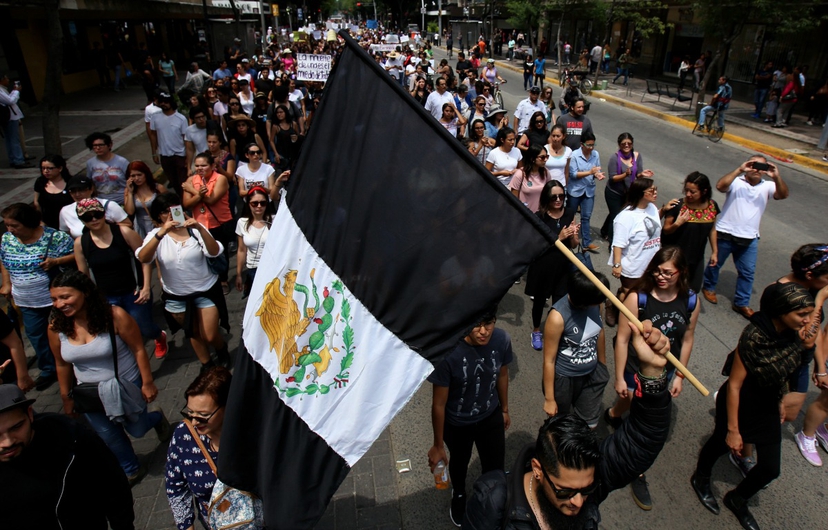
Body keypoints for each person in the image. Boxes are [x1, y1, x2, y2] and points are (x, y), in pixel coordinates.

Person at [463, 320, 672, 530]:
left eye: (587, 489)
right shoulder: (492, 502)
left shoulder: (590, 476)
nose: (578, 502)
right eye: (564, 491)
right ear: (538, 470)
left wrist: (653, 373)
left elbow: (641, 439)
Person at [692, 282, 814, 530]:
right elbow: (734, 385)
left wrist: (781, 398)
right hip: (740, 402)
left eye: (809, 314)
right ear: (781, 311)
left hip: (768, 405)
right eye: (802, 314)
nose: (807, 320)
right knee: (720, 443)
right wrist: (733, 430)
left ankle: (737, 499)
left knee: (770, 468)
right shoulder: (754, 336)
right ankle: (701, 476)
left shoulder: (792, 336)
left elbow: (786, 371)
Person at [48, 270, 172, 484]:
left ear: (85, 292)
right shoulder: (56, 327)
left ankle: (156, 418)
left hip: (125, 384)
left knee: (137, 429)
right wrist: (66, 397)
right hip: (89, 393)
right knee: (109, 435)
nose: (59, 304)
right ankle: (131, 468)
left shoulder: (114, 316)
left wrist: (147, 382)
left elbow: (138, 349)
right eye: (54, 299)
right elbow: (61, 363)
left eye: (65, 297)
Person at [606, 247, 700, 510]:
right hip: (635, 367)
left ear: (681, 272)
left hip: (665, 370)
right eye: (657, 271)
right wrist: (619, 377)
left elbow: (688, 338)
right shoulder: (638, 299)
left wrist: (680, 375)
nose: (661, 276)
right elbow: (622, 339)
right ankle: (613, 415)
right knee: (629, 400)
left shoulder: (691, 300)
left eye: (668, 273)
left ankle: (635, 463)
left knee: (643, 412)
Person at [0, 384, 136, 529]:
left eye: (16, 427)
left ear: (30, 414)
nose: (8, 442)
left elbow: (112, 484)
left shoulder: (71, 439)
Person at [427, 308, 512, 527]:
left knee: (495, 468)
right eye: (477, 325)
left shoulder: (502, 340)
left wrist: (504, 409)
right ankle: (459, 493)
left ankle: (492, 502)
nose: (484, 331)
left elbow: (502, 374)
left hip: (490, 416)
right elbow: (439, 404)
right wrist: (438, 445)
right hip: (457, 424)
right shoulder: (448, 352)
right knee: (460, 462)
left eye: (489, 323)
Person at [137, 192, 230, 371]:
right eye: (165, 212)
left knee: (209, 335)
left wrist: (200, 228)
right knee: (192, 332)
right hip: (176, 295)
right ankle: (207, 365)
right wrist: (162, 233)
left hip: (205, 290)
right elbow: (144, 257)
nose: (170, 215)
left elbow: (214, 251)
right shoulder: (156, 235)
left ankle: (221, 349)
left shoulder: (194, 230)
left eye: (174, 209)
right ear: (158, 215)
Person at [73, 198, 168, 359]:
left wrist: (146, 287)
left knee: (144, 327)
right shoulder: (81, 243)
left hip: (133, 291)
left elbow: (145, 258)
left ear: (104, 214)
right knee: (120, 334)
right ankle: (135, 362)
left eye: (97, 214)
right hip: (106, 297)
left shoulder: (124, 232)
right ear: (82, 221)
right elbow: (84, 275)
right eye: (88, 217)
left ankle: (159, 336)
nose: (94, 219)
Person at [702, 156, 789, 318]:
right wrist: (740, 170)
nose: (756, 169)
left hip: (749, 237)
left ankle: (741, 303)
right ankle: (709, 287)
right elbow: (720, 186)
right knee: (715, 264)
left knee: (747, 272)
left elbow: (783, 195)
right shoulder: (736, 181)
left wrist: (776, 176)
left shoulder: (768, 186)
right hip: (725, 233)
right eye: (754, 165)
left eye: (761, 166)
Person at [0, 203, 74, 391]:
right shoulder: (7, 239)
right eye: (7, 225)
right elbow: (4, 260)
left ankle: (72, 367)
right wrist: (7, 283)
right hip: (26, 301)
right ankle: (49, 370)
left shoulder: (54, 237)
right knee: (37, 337)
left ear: (28, 223)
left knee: (63, 334)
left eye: (14, 225)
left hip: (54, 300)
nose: (10, 229)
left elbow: (77, 254)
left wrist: (56, 261)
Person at [166, 366, 233, 530]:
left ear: (227, 407)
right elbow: (175, 485)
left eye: (203, 416)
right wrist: (186, 525)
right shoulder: (184, 435)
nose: (195, 422)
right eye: (190, 413)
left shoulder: (254, 433)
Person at [543, 269, 610, 426]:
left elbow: (599, 332)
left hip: (592, 374)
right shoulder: (557, 317)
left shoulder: (597, 305)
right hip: (564, 380)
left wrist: (602, 366)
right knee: (561, 424)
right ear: (584, 301)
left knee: (589, 425)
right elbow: (549, 360)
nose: (602, 303)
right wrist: (550, 398)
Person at [526, 180, 579, 350]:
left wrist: (574, 235)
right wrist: (559, 237)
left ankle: (556, 329)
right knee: (540, 301)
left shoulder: (569, 213)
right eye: (553, 197)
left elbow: (574, 245)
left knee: (560, 302)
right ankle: (536, 331)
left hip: (563, 267)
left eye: (561, 196)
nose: (558, 200)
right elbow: (536, 247)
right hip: (543, 267)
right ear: (546, 198)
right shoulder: (539, 217)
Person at [182, 152, 234, 294]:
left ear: (212, 166)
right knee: (201, 253)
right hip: (199, 223)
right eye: (197, 165)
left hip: (219, 222)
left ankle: (223, 280)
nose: (200, 168)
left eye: (203, 165)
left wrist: (193, 191)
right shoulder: (191, 179)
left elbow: (212, 200)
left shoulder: (220, 179)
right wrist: (199, 194)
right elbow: (186, 204)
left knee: (220, 252)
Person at [661, 172, 720, 293]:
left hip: (697, 257)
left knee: (693, 289)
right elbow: (666, 230)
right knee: (673, 289)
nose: (688, 194)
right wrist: (677, 224)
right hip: (676, 257)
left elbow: (712, 229)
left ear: (704, 191)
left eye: (692, 192)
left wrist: (715, 252)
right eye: (686, 190)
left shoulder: (712, 206)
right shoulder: (678, 206)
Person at [601, 132, 654, 244]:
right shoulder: (614, 158)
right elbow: (613, 178)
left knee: (617, 212)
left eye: (629, 143)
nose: (626, 145)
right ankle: (612, 242)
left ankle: (604, 230)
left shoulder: (637, 156)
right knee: (616, 216)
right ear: (619, 144)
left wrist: (642, 174)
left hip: (628, 193)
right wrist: (625, 174)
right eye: (623, 143)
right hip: (614, 192)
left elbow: (638, 174)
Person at [59, 176, 132, 238]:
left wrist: (107, 226)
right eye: (73, 191)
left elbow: (128, 224)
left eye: (81, 190)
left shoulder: (109, 205)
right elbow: (66, 235)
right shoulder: (65, 211)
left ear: (91, 189)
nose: (77, 194)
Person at [568, 131, 604, 252]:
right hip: (575, 190)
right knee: (570, 216)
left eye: (593, 145)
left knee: (586, 217)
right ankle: (569, 239)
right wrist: (590, 172)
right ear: (581, 144)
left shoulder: (595, 154)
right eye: (588, 145)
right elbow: (573, 174)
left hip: (589, 190)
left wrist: (597, 175)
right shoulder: (574, 155)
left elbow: (596, 170)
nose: (591, 148)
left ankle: (586, 243)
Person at [235, 188, 274, 298]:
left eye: (263, 203)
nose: (259, 206)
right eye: (255, 203)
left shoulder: (275, 220)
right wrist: (238, 274)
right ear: (248, 204)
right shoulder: (242, 223)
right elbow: (241, 250)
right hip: (253, 269)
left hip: (272, 268)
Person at [150, 92, 189, 197]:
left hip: (180, 155)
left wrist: (188, 157)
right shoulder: (155, 117)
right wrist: (154, 153)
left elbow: (186, 138)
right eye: (161, 102)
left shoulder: (181, 118)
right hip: (164, 155)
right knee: (173, 181)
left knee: (183, 181)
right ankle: (180, 199)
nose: (163, 104)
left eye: (166, 102)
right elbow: (153, 135)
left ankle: (185, 201)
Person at [123, 160, 169, 239]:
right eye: (133, 176)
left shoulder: (158, 188)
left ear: (146, 174)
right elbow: (130, 212)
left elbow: (170, 206)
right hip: (141, 226)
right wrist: (130, 193)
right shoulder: (129, 191)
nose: (137, 178)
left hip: (158, 223)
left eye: (139, 175)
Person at [85, 132, 130, 205]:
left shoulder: (122, 161)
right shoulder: (90, 163)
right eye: (95, 146)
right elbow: (90, 182)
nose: (98, 148)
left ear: (109, 145)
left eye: (101, 145)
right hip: (101, 202)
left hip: (122, 201)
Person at [33, 154, 74, 229]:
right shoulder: (40, 182)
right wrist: (40, 221)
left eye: (50, 168)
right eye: (43, 168)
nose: (46, 171)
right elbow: (36, 203)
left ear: (60, 168)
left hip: (68, 223)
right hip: (47, 224)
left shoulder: (71, 182)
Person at [0, 73, 31, 169]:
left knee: (10, 139)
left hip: (9, 116)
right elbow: (10, 101)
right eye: (6, 78)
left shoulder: (3, 89)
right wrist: (16, 91)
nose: (8, 80)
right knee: (14, 139)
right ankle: (18, 160)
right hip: (9, 117)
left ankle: (14, 159)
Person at [510, 145, 551, 212]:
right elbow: (514, 198)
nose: (545, 160)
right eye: (542, 157)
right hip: (525, 214)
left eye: (547, 157)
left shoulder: (546, 173)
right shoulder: (520, 174)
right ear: (532, 159)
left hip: (541, 214)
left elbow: (549, 193)